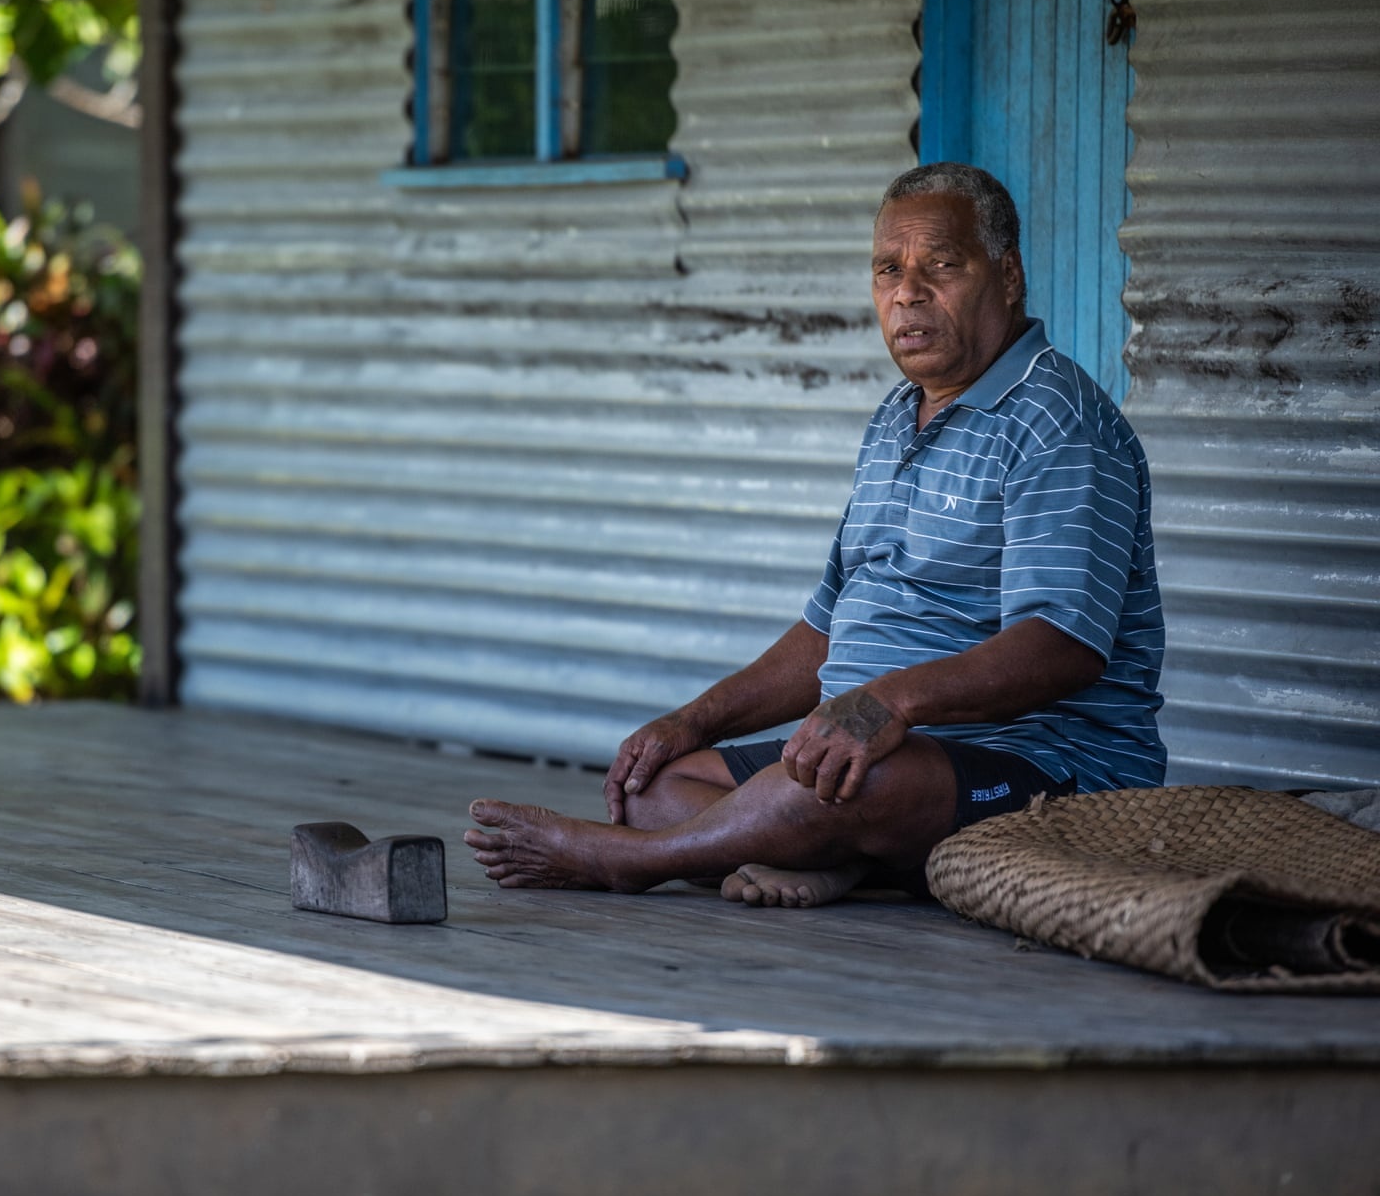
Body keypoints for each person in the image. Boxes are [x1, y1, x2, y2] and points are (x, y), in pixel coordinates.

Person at [464, 163, 1166, 906]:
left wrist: (888, 705)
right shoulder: (897, 417)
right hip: (870, 751)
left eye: (942, 266)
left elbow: (1060, 648)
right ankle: (843, 854)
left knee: (856, 789)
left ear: (1009, 273)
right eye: (888, 269)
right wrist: (688, 719)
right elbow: (825, 634)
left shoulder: (1057, 422)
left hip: (1041, 767)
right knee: (660, 783)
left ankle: (634, 861)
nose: (908, 292)